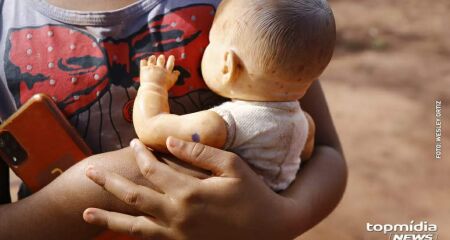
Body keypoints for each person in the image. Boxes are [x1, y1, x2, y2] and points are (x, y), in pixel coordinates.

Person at [0, 0, 347, 239]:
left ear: (226, 64)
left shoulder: (253, 8)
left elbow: (151, 129)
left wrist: (282, 219)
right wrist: (91, 191)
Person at [131, 0, 335, 191]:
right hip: (270, 219)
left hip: (220, 218)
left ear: (227, 65)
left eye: (211, 42)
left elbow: (150, 128)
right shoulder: (306, 126)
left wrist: (153, 86)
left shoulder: (220, 126)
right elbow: (305, 156)